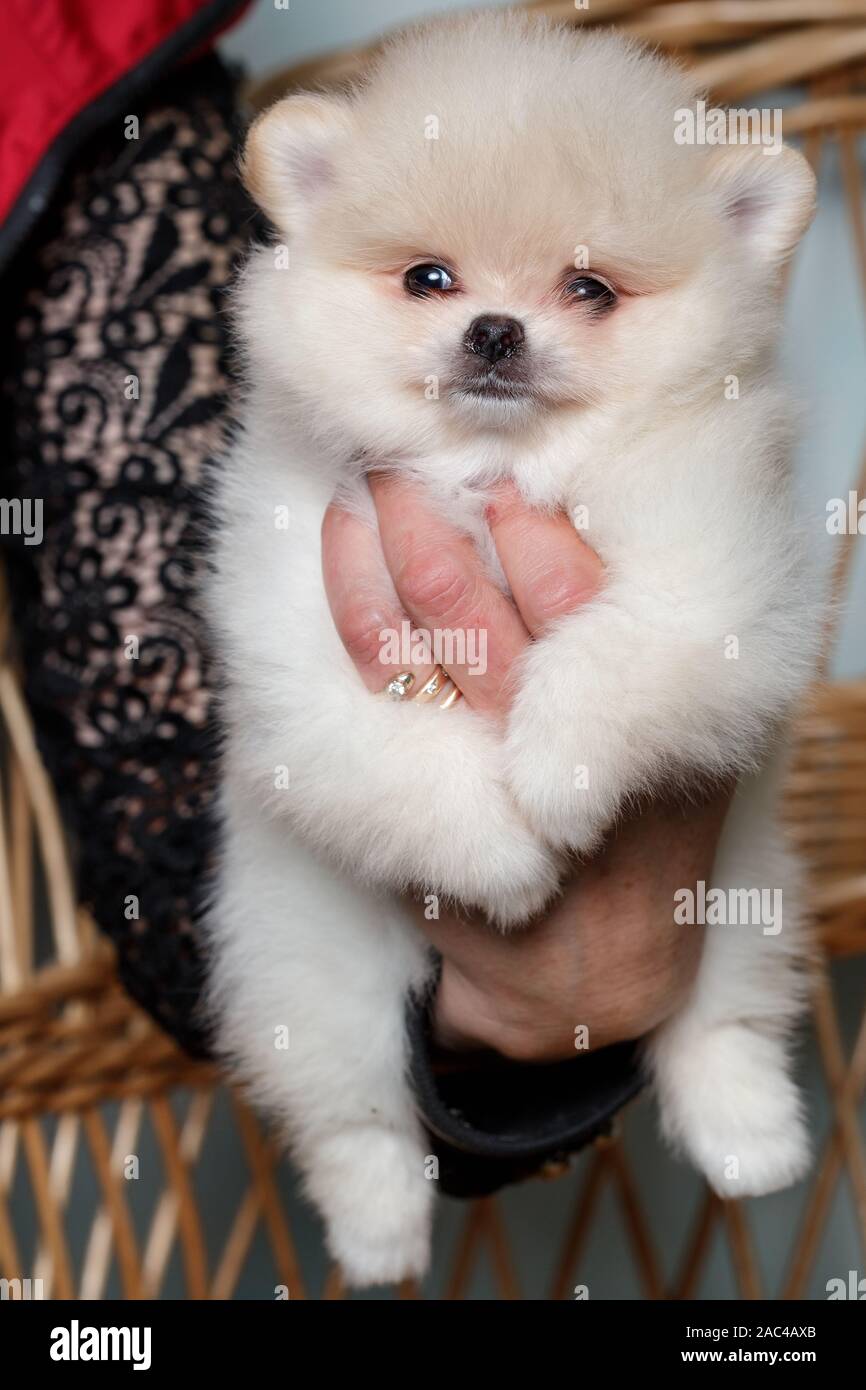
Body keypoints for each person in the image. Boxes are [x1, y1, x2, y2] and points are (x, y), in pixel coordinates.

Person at [0, 0, 729, 1199]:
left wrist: (531, 1007)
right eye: (431, 278)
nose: (494, 325)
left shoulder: (84, 96)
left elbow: (189, 834)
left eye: (586, 286)